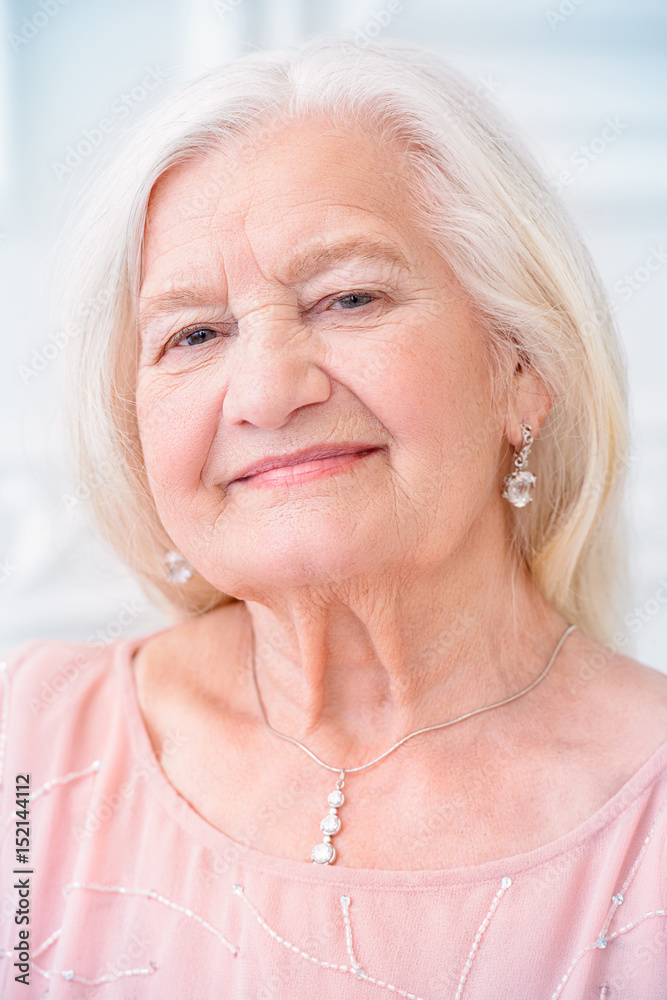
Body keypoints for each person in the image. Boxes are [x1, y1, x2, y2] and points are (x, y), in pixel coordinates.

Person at [1, 36, 666, 999]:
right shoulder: (28, 743)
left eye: (348, 297)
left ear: (522, 367)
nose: (267, 393)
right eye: (194, 333)